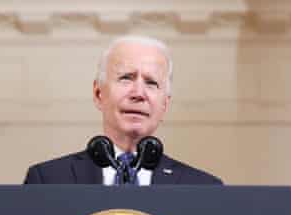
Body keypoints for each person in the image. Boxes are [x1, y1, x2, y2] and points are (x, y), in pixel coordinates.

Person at [24, 35, 222, 186]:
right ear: (98, 93)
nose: (138, 93)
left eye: (151, 83)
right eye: (126, 78)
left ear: (165, 105)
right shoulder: (48, 180)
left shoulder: (203, 188)